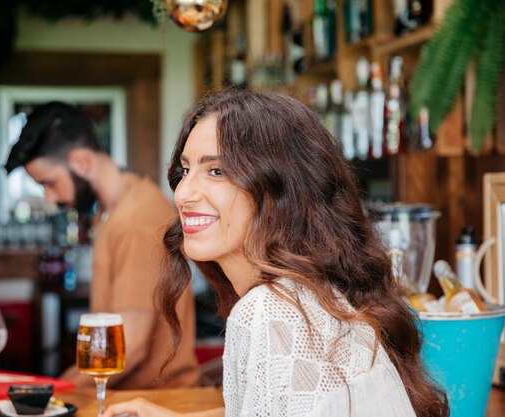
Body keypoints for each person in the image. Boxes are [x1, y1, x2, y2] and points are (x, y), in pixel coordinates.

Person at [102, 89, 449, 417]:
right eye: (186, 169)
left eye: (216, 171)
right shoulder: (306, 295)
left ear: (280, 192)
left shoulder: (269, 310)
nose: (184, 193)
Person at [4, 102, 200, 389]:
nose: (49, 199)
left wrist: (51, 396)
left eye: (49, 183)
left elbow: (128, 349)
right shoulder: (113, 210)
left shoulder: (135, 220)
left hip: (156, 403)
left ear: (81, 162)